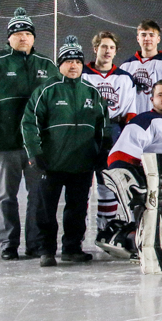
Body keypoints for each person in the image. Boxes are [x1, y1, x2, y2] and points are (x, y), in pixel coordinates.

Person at [0, 7, 61, 260]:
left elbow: (56, 104)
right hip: (5, 144)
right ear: (9, 37)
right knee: (6, 197)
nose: (23, 37)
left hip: (37, 147)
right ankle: (8, 244)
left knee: (38, 198)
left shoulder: (47, 65)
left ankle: (35, 244)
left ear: (33, 37)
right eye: (17, 33)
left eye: (27, 33)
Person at [21, 36, 110, 267]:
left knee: (77, 210)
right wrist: (35, 152)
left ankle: (72, 248)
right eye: (69, 61)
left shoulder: (92, 92)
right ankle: (46, 251)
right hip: (52, 163)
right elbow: (29, 123)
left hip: (81, 164)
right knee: (46, 210)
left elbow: (104, 125)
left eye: (78, 62)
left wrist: (102, 151)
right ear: (60, 64)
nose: (74, 66)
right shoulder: (46, 90)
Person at [96, 79, 162, 258]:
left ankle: (144, 238)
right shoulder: (144, 120)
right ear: (152, 99)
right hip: (154, 188)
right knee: (152, 235)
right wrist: (137, 186)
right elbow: (119, 156)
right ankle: (126, 238)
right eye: (160, 95)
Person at [80, 31, 135, 233]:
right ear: (95, 49)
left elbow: (130, 111)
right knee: (81, 184)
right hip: (84, 131)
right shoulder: (82, 74)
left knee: (107, 182)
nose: (107, 51)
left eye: (111, 47)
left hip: (112, 131)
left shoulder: (124, 78)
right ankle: (78, 229)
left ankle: (105, 227)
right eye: (103, 46)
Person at [121, 20, 162, 121]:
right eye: (143, 35)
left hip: (160, 121)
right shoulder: (125, 66)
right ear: (138, 38)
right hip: (133, 121)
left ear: (158, 39)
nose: (147, 38)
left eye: (151, 35)